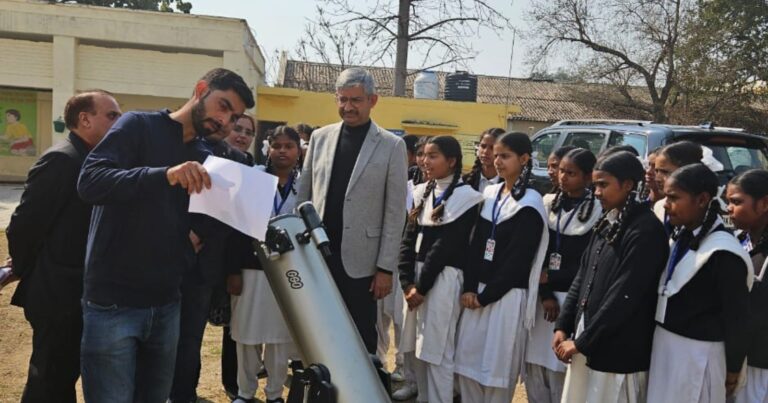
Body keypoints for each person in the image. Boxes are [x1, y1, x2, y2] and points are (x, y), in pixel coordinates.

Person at [77, 68, 254, 403]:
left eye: (234, 116)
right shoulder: (138, 125)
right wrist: (165, 175)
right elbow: (91, 182)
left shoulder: (207, 158)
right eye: (223, 106)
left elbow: (213, 221)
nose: (225, 121)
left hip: (167, 305)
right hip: (113, 303)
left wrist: (194, 240)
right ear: (200, 89)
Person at [5, 90, 121, 403]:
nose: (119, 122)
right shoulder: (63, 159)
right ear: (84, 119)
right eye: (112, 115)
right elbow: (25, 225)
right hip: (56, 293)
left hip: (77, 292)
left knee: (62, 375)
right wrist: (24, 267)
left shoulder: (92, 159)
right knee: (49, 378)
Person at [297, 67, 407, 354]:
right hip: (319, 256)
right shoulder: (320, 138)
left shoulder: (392, 146)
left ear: (373, 100)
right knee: (319, 334)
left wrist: (385, 268)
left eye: (356, 100)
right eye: (342, 99)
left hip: (363, 264)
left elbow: (395, 213)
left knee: (360, 340)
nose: (348, 107)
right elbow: (303, 197)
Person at [553, 151, 668, 403]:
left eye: (603, 185)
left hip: (618, 350)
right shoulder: (608, 220)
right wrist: (563, 325)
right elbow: (583, 276)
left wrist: (583, 342)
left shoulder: (645, 230)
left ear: (627, 185)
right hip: (588, 338)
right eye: (595, 185)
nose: (596, 192)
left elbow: (624, 295)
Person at [454, 132, 548, 403]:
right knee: (467, 367)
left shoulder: (530, 203)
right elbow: (475, 246)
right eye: (496, 155)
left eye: (505, 156)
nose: (497, 161)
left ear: (524, 159)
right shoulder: (490, 193)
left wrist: (485, 297)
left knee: (496, 372)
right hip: (476, 295)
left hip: (504, 297)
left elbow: (518, 261)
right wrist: (470, 288)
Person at [647, 163, 752, 402]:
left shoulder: (723, 253)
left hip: (699, 357)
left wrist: (733, 367)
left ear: (702, 199)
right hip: (664, 349)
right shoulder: (680, 236)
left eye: (674, 197)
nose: (666, 204)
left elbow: (737, 318)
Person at [170, 113, 252, 402]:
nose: (240, 134)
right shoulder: (184, 148)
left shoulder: (241, 162)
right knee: (160, 336)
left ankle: (184, 394)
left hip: (204, 265)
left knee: (190, 338)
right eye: (236, 127)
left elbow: (234, 215)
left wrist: (199, 234)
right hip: (165, 258)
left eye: (247, 131)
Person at [399, 135, 484, 403]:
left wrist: (421, 287)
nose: (425, 161)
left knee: (437, 351)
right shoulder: (421, 192)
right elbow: (408, 240)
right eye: (424, 155)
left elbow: (445, 247)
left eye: (433, 156)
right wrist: (406, 282)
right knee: (416, 348)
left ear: (452, 161)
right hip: (416, 280)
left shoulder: (466, 198)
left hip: (443, 279)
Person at [228, 125, 302, 403]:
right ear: (268, 149)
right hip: (251, 268)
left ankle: (274, 394)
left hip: (288, 271)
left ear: (298, 151)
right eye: (277, 146)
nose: (282, 151)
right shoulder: (253, 179)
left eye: (289, 146)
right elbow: (235, 228)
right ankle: (245, 392)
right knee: (246, 335)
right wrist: (233, 270)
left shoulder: (305, 184)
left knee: (279, 338)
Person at [525, 148, 601, 403]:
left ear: (588, 177)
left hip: (571, 296)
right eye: (561, 171)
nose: (563, 177)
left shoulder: (598, 211)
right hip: (542, 297)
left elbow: (588, 264)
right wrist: (545, 292)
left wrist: (554, 280)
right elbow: (538, 253)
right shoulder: (548, 203)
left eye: (571, 173)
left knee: (560, 368)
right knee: (535, 364)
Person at [727, 169, 768, 403]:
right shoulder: (738, 240)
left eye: (737, 202)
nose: (729, 209)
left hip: (760, 365)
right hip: (741, 359)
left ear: (764, 204)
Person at [653, 141, 703, 227]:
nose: (657, 179)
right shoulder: (660, 206)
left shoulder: (699, 213)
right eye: (656, 171)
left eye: (665, 172)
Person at [463, 128, 505, 193]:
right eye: (483, 146)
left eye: (492, 148)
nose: (485, 151)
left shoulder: (510, 184)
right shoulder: (465, 181)